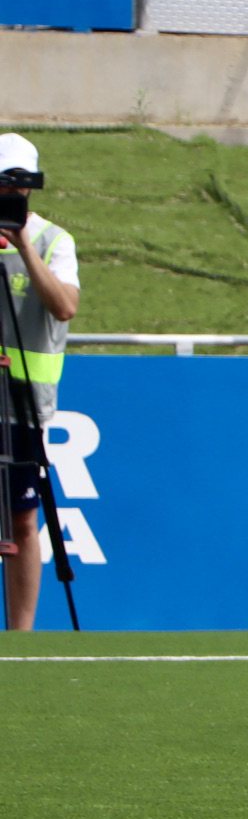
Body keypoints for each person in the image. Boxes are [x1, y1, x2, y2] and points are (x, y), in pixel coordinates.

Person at [0, 134, 77, 632]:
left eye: (20, 185)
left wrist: (23, 243)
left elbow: (64, 306)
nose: (14, 195)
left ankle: (22, 639)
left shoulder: (53, 240)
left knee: (24, 522)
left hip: (22, 408)